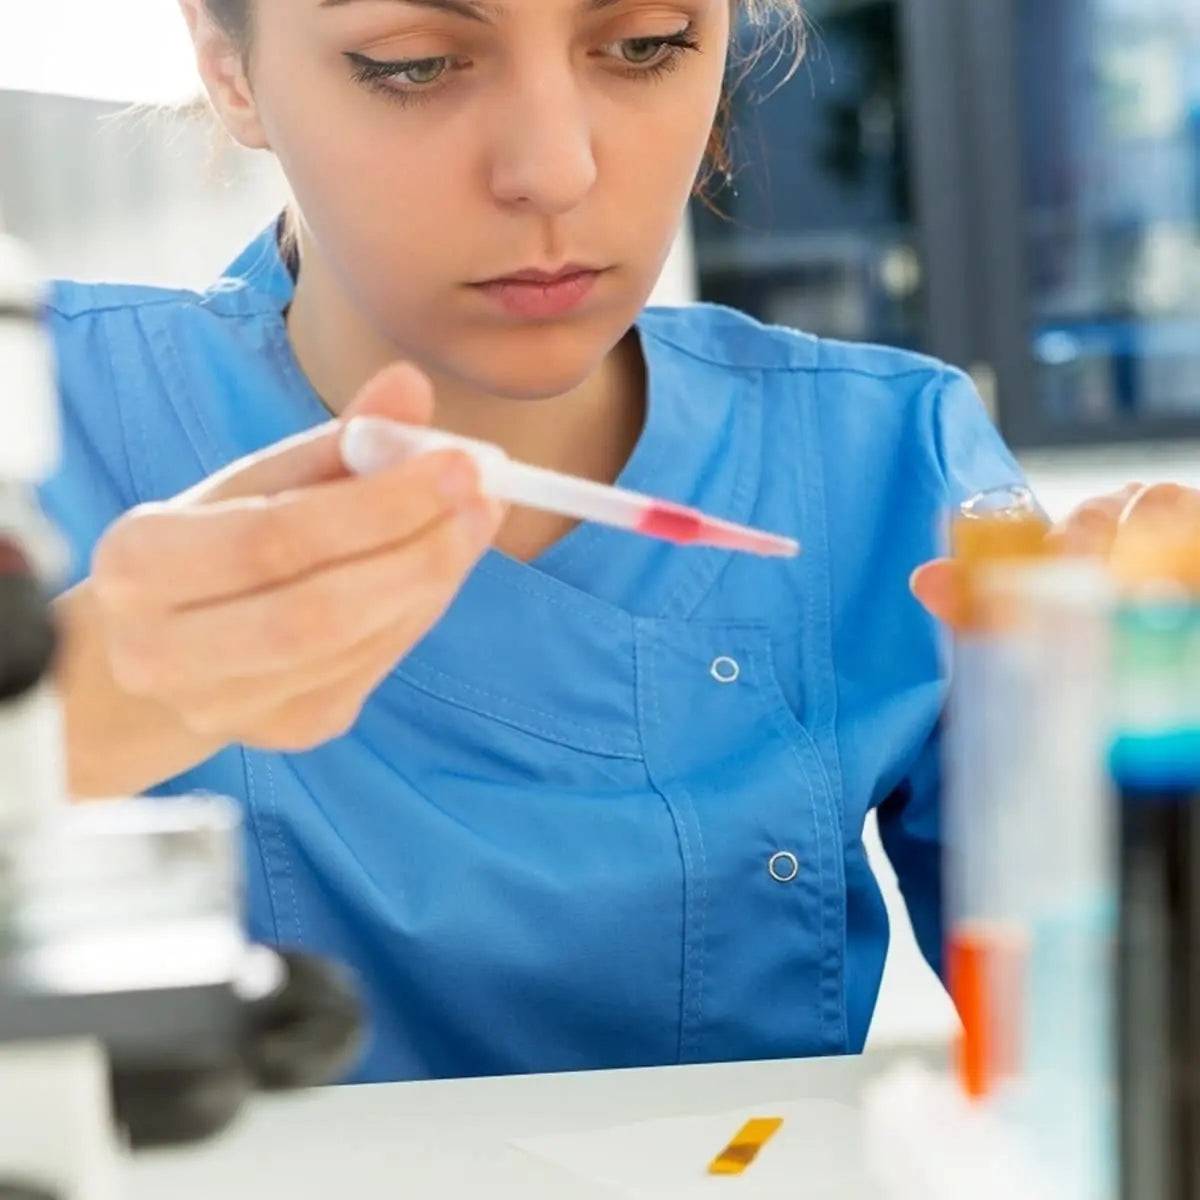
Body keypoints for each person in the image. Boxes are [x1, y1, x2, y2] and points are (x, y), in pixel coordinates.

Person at [40, 0, 1193, 1083]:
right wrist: (52, 730)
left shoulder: (884, 458)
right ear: (227, 62)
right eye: (415, 63)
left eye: (644, 43)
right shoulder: (46, 426)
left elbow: (1113, 1061)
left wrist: (1162, 739)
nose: (555, 170)